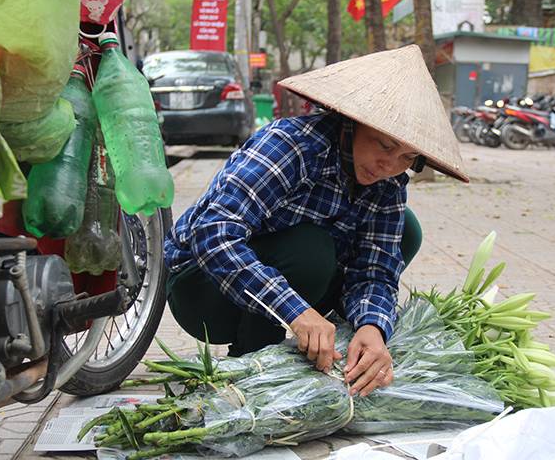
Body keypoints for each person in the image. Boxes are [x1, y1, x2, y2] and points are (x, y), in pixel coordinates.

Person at [163, 45, 469, 397]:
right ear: (353, 123)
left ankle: (331, 341)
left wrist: (373, 327)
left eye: (408, 158)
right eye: (384, 146)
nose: (390, 165)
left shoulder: (389, 181)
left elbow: (376, 268)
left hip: (284, 284)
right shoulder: (291, 146)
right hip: (202, 289)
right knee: (312, 249)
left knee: (407, 231)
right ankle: (249, 359)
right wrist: (297, 312)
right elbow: (214, 235)